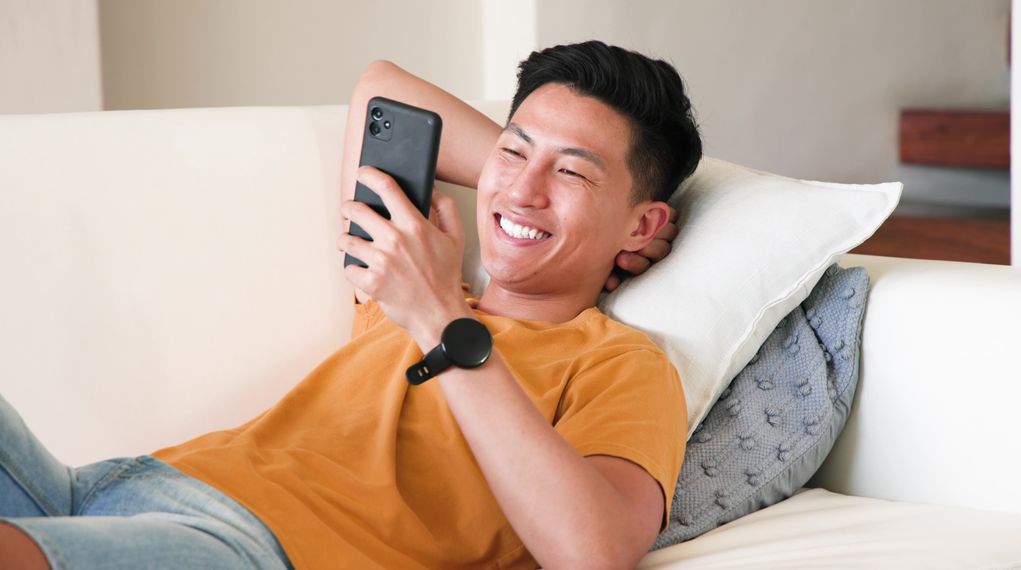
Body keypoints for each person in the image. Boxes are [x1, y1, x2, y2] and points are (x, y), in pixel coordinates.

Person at [0, 41, 702, 569]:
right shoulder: (404, 275)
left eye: (573, 171)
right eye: (515, 153)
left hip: (252, 548)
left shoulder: (621, 363)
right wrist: (536, 178)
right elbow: (381, 91)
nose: (523, 190)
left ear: (645, 225)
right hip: (120, 483)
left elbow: (593, 551)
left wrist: (440, 320)